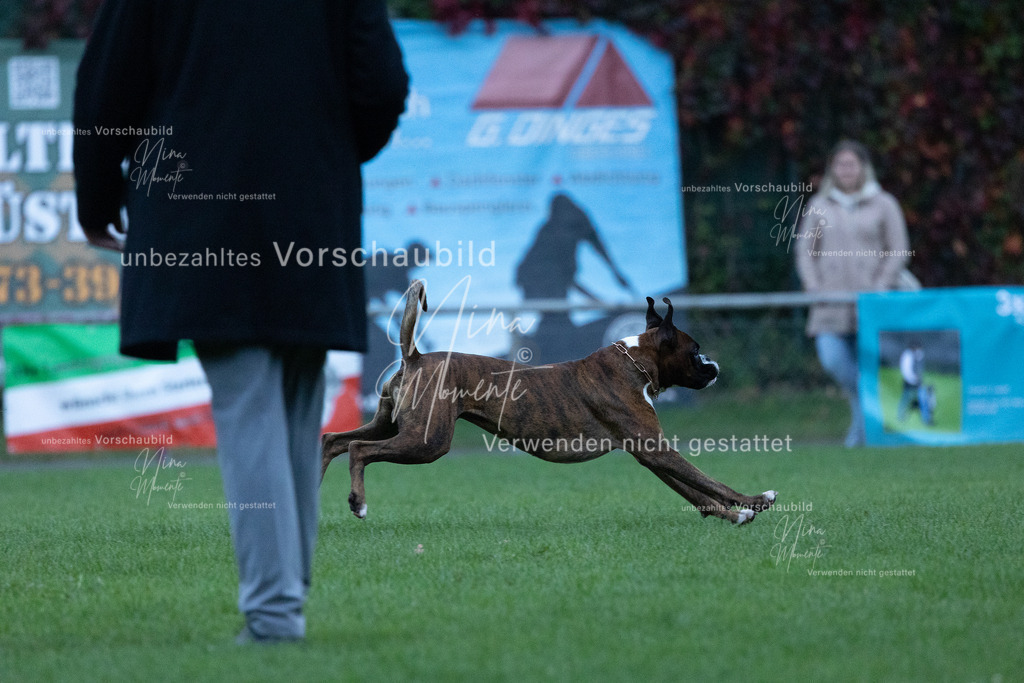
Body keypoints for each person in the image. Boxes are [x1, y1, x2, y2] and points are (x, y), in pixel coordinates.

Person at [73, 0, 408, 644]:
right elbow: (384, 84)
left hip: (198, 210)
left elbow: (105, 89)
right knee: (295, 403)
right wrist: (327, 148)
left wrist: (96, 199)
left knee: (249, 404)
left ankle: (276, 613)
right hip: (310, 209)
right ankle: (285, 598)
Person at [796, 140, 910, 447]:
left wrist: (880, 285)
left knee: (870, 369)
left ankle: (859, 439)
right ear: (832, 169)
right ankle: (869, 427)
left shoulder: (884, 203)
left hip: (871, 307)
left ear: (863, 168)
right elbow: (805, 253)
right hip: (829, 307)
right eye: (840, 165)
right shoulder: (818, 206)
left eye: (852, 164)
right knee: (835, 361)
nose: (846, 170)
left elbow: (898, 250)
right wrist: (813, 286)